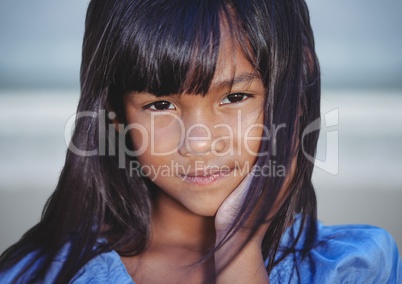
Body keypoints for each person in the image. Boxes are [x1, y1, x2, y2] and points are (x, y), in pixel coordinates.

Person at [0, 0, 401, 283]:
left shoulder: (357, 267)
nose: (200, 143)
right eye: (159, 105)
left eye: (235, 97)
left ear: (292, 96)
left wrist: (239, 250)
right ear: (117, 115)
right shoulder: (44, 275)